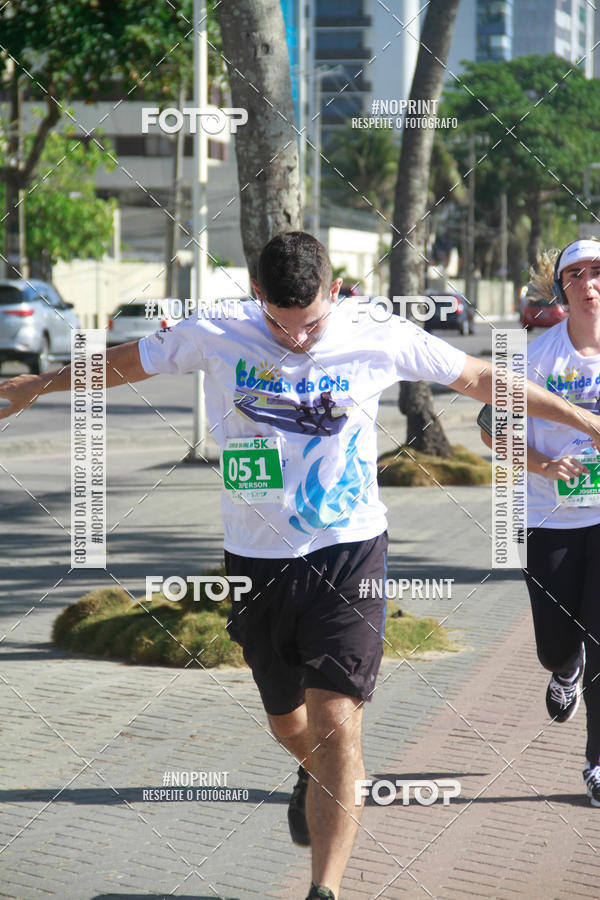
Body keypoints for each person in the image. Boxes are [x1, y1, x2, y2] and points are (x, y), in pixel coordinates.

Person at [3, 232, 600, 898]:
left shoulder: (377, 331)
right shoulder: (219, 330)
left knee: (337, 720)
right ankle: (314, 771)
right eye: (282, 326)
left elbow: (483, 379)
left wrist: (586, 419)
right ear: (258, 296)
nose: (297, 340)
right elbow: (121, 364)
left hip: (350, 554)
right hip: (258, 563)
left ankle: (325, 888)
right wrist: (34, 385)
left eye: (311, 323)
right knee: (290, 722)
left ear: (334, 292)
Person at [480, 238, 600, 807]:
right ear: (562, 287)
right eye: (576, 274)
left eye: (599, 271)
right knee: (557, 642)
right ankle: (564, 668)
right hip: (549, 515)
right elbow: (490, 428)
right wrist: (544, 463)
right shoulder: (534, 357)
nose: (590, 283)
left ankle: (596, 760)